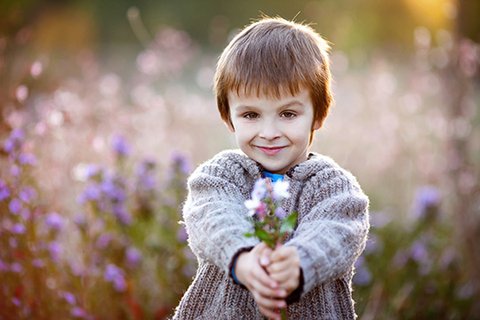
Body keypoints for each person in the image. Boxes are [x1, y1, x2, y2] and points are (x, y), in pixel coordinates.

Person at [173, 16, 369, 320]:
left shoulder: (333, 185)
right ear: (229, 118)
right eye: (251, 115)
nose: (269, 131)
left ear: (318, 115)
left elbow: (338, 230)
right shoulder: (222, 174)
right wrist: (244, 259)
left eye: (288, 113)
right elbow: (213, 215)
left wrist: (298, 263)